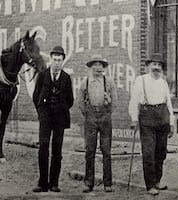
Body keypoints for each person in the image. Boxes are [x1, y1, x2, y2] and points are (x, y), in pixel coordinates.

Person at [129, 52, 175, 196]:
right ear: (148, 66)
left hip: (162, 118)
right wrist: (134, 119)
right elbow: (134, 101)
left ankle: (157, 181)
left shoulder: (163, 82)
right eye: (154, 64)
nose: (156, 67)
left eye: (159, 65)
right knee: (149, 152)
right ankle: (150, 185)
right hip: (147, 118)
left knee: (161, 152)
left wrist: (171, 123)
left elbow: (169, 103)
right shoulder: (140, 80)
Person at [32, 46, 74, 193]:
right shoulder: (43, 75)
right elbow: (36, 96)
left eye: (59, 60)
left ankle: (54, 183)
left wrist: (60, 111)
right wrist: (42, 113)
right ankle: (42, 183)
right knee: (43, 148)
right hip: (45, 118)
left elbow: (70, 100)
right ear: (51, 60)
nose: (57, 63)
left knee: (57, 150)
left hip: (59, 119)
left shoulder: (66, 78)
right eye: (54, 59)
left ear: (63, 61)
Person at [80, 53, 116, 193]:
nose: (97, 68)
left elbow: (115, 101)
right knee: (90, 151)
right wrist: (88, 114)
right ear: (90, 67)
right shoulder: (85, 82)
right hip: (90, 117)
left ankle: (108, 183)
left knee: (106, 151)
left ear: (103, 67)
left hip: (105, 117)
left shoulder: (109, 82)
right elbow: (80, 102)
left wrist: (107, 112)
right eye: (95, 65)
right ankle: (89, 182)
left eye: (100, 65)